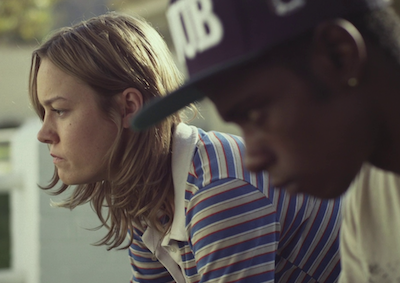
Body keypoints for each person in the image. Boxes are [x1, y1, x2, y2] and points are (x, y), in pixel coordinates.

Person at [28, 12, 342, 283]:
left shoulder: (218, 190)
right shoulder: (151, 196)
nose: (44, 133)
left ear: (128, 108)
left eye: (59, 110)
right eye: (44, 113)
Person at [130, 0, 400, 282]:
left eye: (255, 115)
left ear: (338, 55)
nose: (253, 159)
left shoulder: (218, 186)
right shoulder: (371, 197)